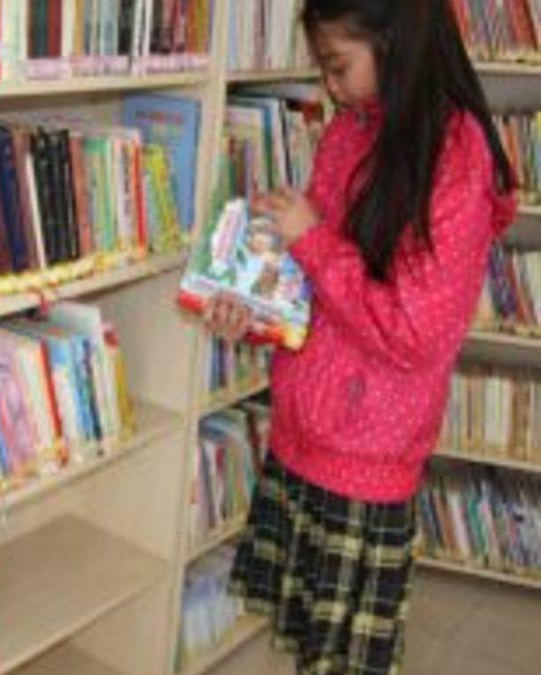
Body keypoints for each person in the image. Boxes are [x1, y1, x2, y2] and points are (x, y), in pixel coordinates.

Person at [202, 1, 517, 673]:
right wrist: (254, 309)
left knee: (344, 657)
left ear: (395, 42)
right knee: (307, 639)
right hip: (304, 432)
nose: (331, 86)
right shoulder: (351, 129)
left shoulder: (456, 157)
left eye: (338, 66)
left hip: (366, 457)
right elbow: (317, 293)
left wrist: (312, 239)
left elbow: (413, 332)